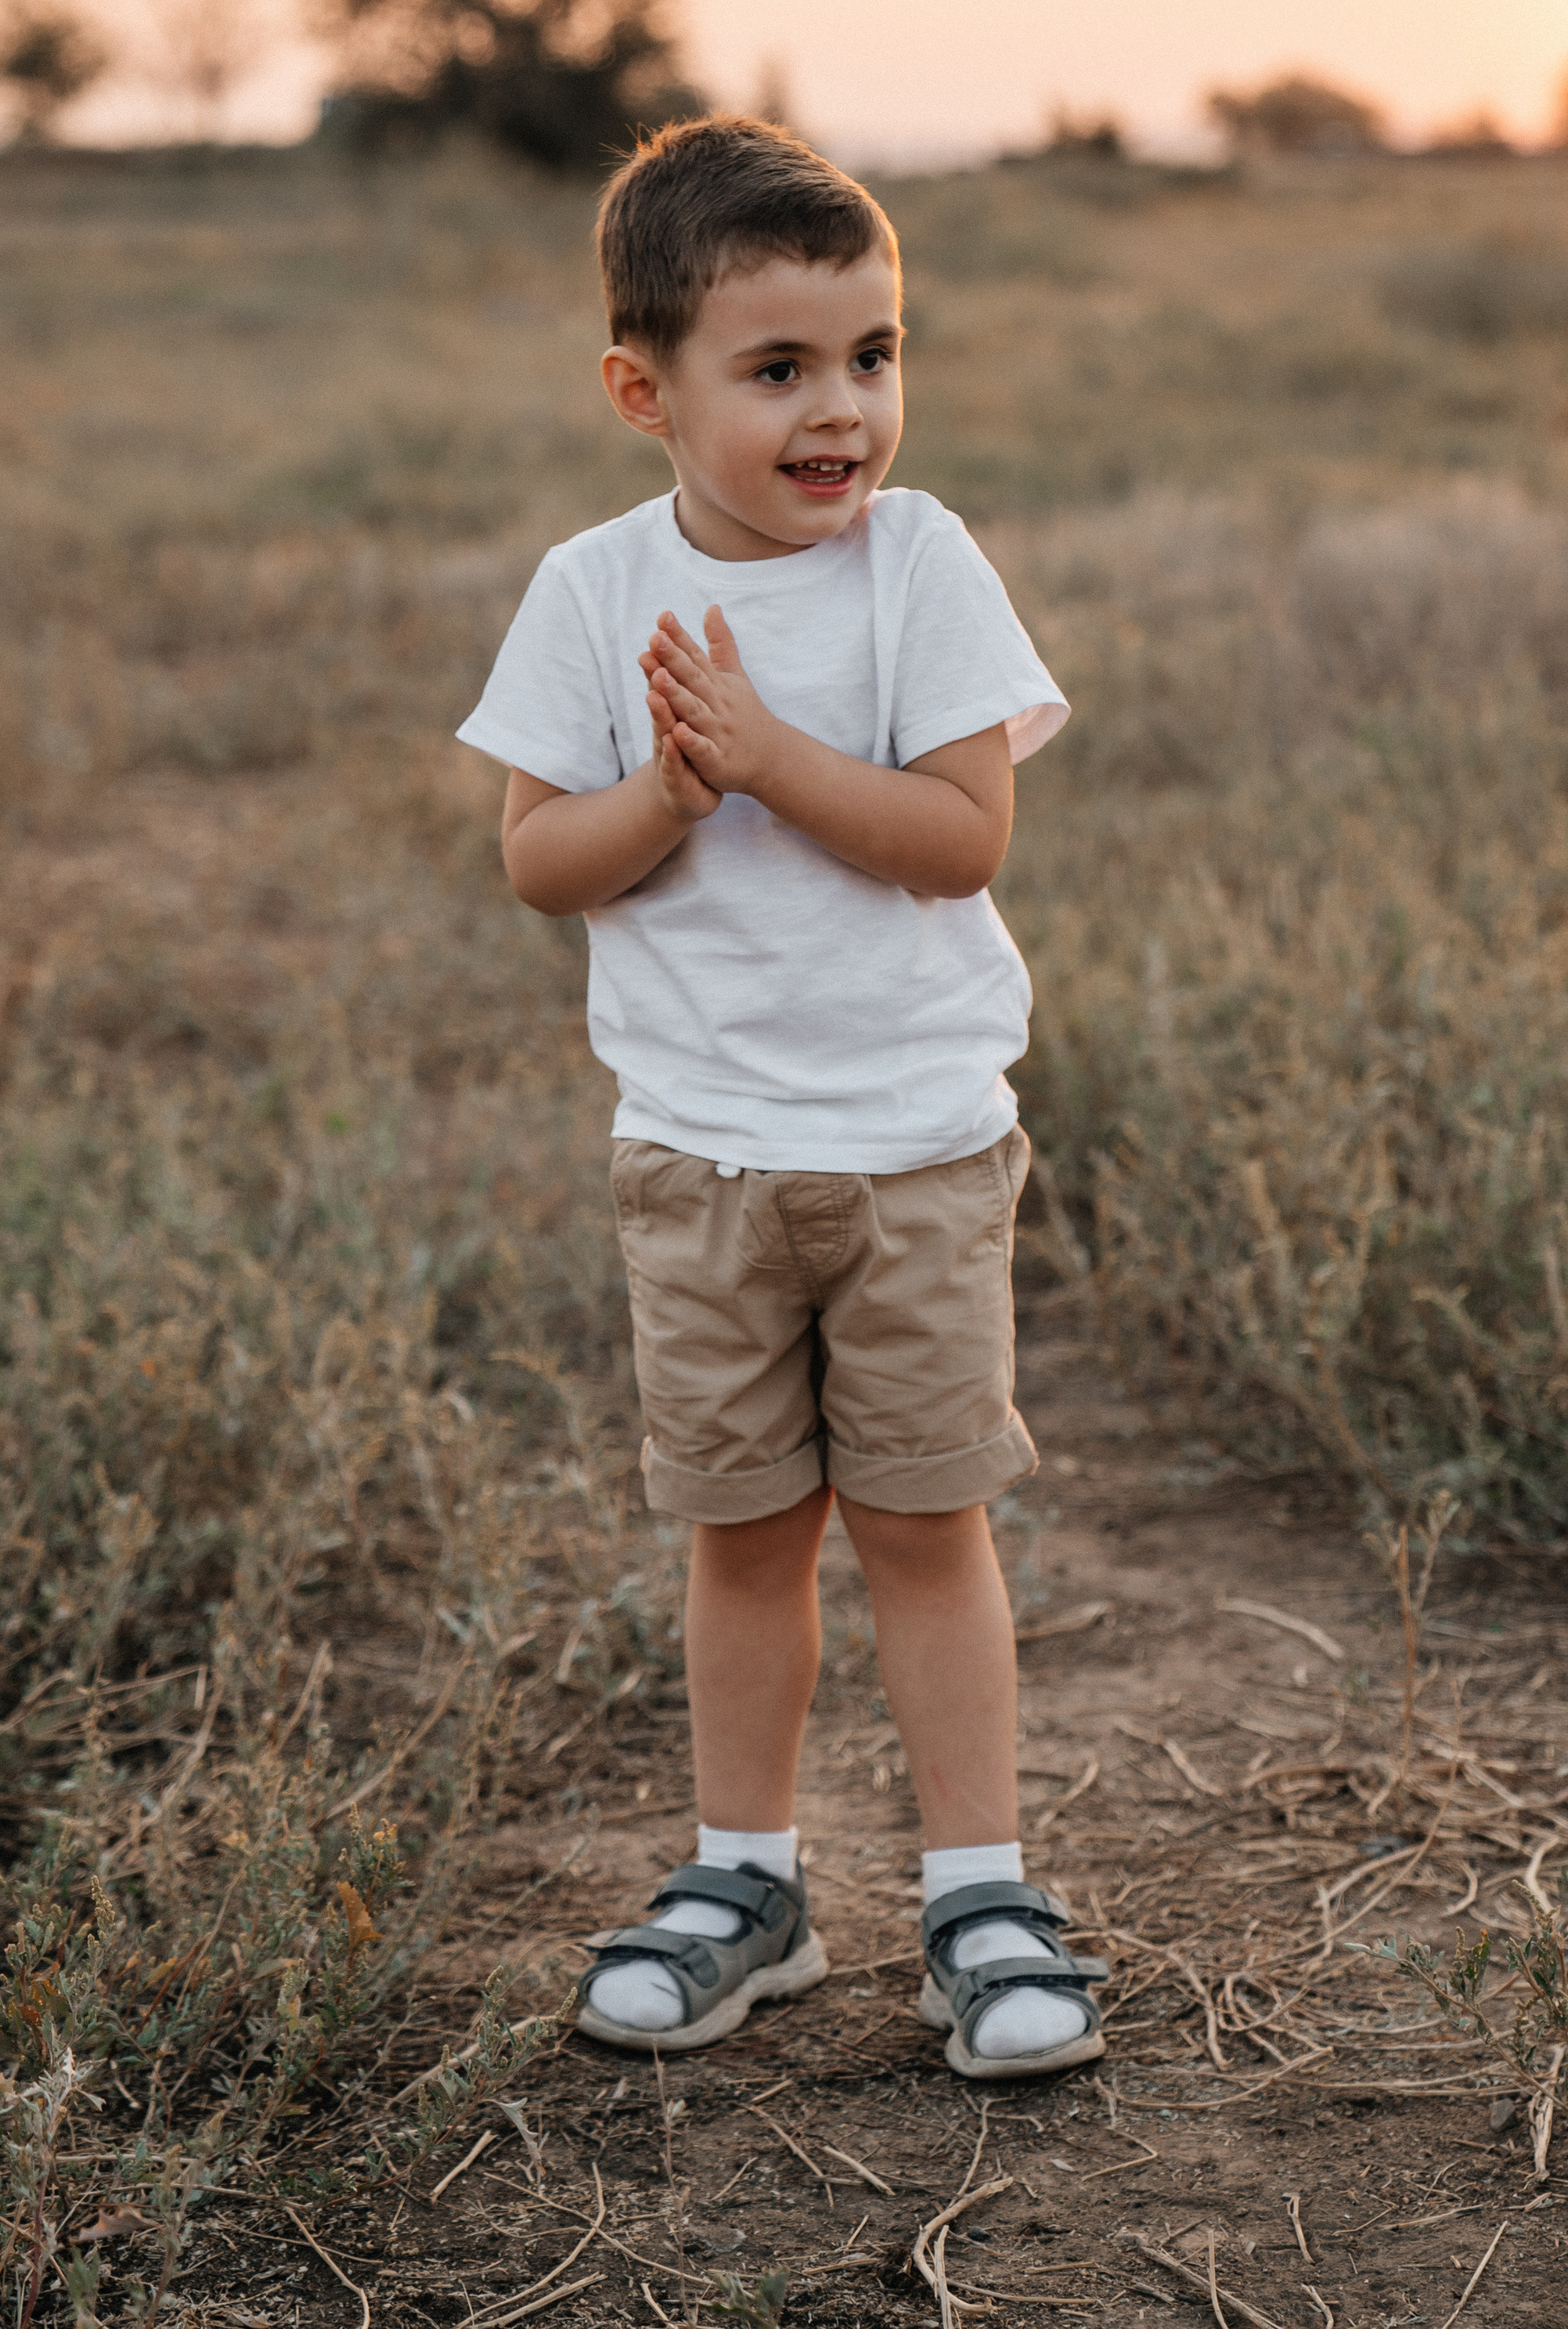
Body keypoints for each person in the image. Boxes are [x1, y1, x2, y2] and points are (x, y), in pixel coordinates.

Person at [457, 116, 1106, 2080]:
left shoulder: (921, 564)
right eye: (780, 369)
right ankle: (748, 1880)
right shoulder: (591, 591)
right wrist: (665, 786)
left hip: (908, 1150)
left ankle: (976, 1888)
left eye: (873, 355)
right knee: (742, 1530)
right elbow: (535, 859)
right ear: (640, 391)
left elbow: (959, 835)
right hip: (702, 1159)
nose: (844, 410)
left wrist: (762, 751)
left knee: (921, 1522)